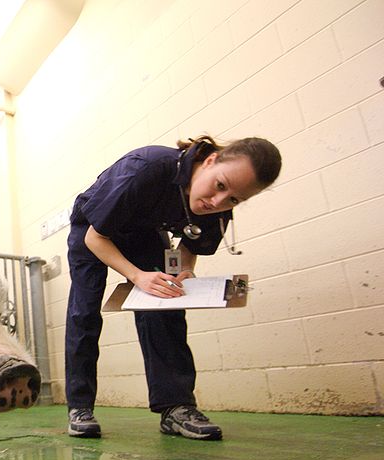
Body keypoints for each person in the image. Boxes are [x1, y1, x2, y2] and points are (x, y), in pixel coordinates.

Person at [65, 135, 282, 440]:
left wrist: (182, 272)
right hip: (93, 229)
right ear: (209, 161)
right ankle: (80, 407)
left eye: (234, 199)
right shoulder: (146, 168)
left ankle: (176, 408)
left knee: (165, 304)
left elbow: (190, 246)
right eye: (220, 186)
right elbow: (95, 238)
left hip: (143, 233)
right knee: (84, 313)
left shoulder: (219, 205)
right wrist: (138, 276)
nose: (218, 202)